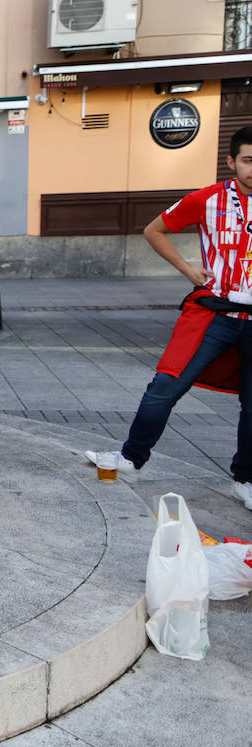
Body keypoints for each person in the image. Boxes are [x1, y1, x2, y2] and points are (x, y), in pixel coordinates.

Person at [87, 124, 252, 512]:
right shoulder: (207, 199)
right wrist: (188, 269)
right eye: (248, 160)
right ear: (231, 162)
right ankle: (131, 459)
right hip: (216, 313)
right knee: (166, 385)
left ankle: (245, 480)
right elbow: (154, 229)